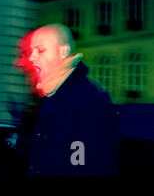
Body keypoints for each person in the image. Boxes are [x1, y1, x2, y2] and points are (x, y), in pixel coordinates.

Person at [17, 23, 119, 176]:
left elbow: (84, 166)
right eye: (31, 50)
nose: (31, 57)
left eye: (40, 50)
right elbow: (54, 146)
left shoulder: (89, 99)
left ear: (63, 52)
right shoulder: (55, 93)